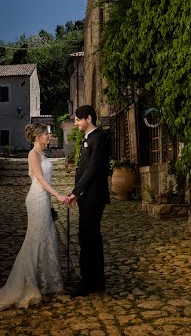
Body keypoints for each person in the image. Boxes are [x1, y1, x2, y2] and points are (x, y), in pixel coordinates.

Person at [0, 123, 68, 309]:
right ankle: (29, 283)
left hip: (44, 199)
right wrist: (57, 195)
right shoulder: (33, 154)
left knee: (45, 237)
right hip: (36, 199)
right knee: (35, 239)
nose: (49, 137)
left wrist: (51, 199)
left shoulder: (43, 154)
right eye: (47, 134)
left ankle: (44, 281)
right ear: (38, 136)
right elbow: (39, 179)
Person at [66, 105, 110, 296]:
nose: (75, 123)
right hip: (87, 197)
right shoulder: (90, 138)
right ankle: (95, 280)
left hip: (94, 197)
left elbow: (92, 170)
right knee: (89, 237)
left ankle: (89, 281)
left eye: (77, 119)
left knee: (88, 237)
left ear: (88, 119)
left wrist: (76, 192)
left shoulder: (98, 138)